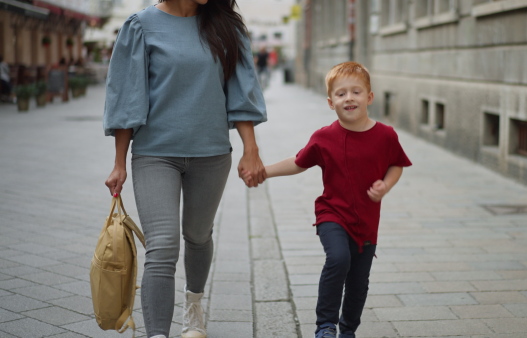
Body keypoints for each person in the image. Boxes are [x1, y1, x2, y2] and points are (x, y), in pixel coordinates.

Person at [103, 1, 267, 338]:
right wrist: (119, 162)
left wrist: (252, 150)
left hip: (212, 153)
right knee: (162, 245)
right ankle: (158, 333)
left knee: (197, 235)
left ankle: (193, 307)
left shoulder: (226, 26)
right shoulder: (140, 26)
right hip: (155, 154)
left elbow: (241, 91)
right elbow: (127, 96)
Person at [244, 61, 411, 338]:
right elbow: (298, 162)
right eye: (341, 93)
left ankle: (348, 330)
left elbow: (397, 164)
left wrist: (387, 185)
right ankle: (325, 325)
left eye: (356, 92)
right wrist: (263, 172)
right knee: (338, 259)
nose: (349, 98)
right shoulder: (324, 137)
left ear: (369, 97)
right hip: (332, 214)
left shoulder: (386, 135)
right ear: (330, 102)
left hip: (367, 223)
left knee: (359, 283)